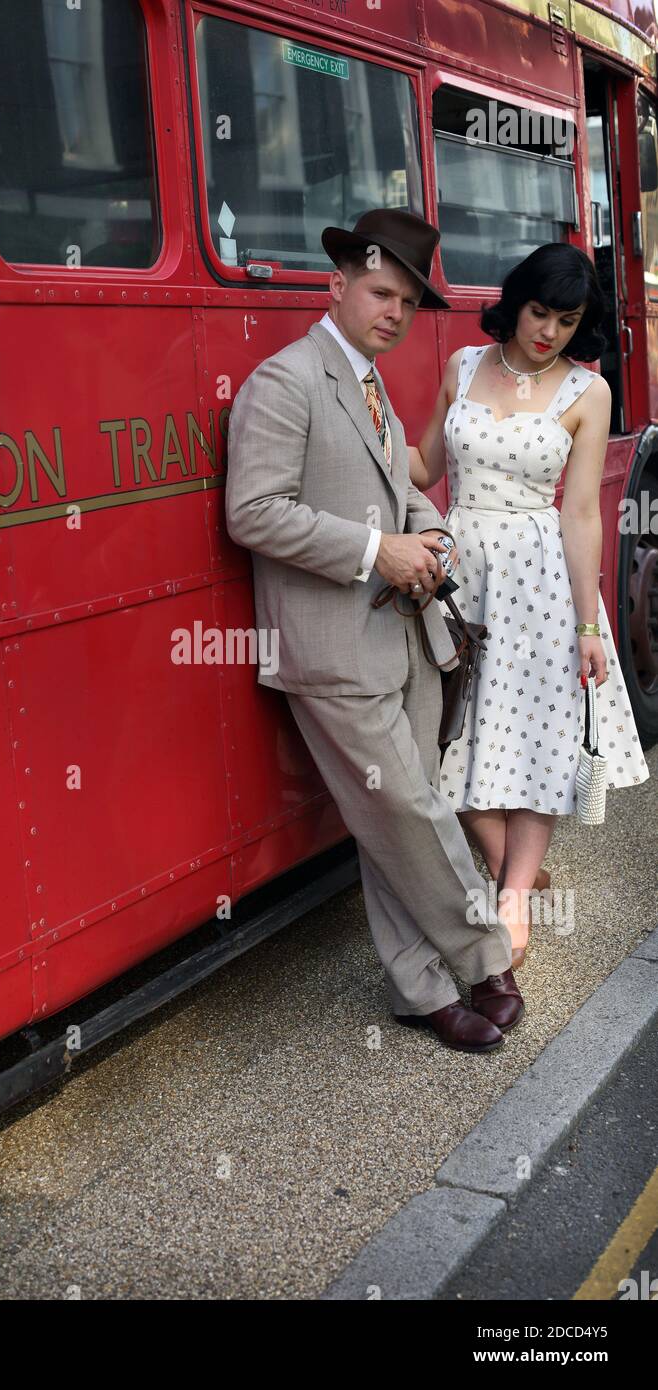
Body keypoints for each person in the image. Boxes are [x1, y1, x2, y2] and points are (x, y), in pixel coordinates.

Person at [225, 209, 522, 1054]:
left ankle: (417, 991)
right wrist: (373, 550)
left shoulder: (367, 382)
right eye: (381, 292)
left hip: (406, 636)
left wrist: (434, 535)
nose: (393, 312)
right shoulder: (285, 382)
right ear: (337, 286)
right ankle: (487, 954)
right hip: (330, 646)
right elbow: (252, 511)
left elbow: (405, 492)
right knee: (411, 808)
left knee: (392, 820)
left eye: (407, 301)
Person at [408, 243, 650, 967]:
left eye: (567, 319)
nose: (547, 330)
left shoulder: (588, 392)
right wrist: (361, 428)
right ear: (515, 302)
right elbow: (422, 466)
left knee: (537, 739)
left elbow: (580, 514)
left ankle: (511, 900)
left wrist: (587, 623)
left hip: (540, 580)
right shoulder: (460, 367)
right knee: (447, 736)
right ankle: (520, 870)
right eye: (539, 311)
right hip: (460, 571)